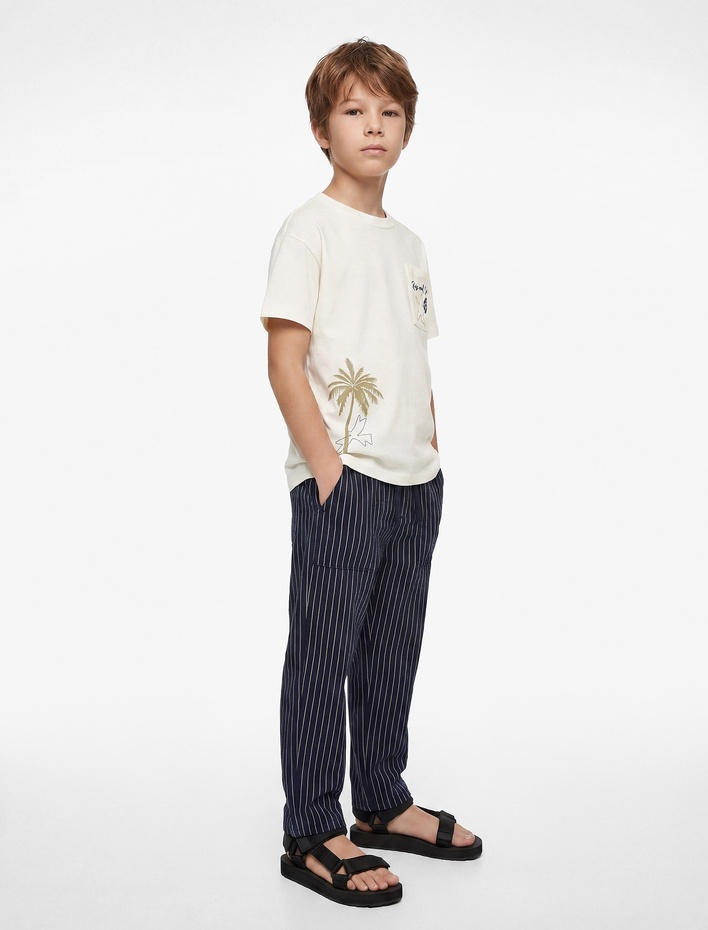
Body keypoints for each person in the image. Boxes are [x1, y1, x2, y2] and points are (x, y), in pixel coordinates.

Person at [261, 38, 482, 908]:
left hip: (416, 481)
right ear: (322, 129)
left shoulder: (410, 245)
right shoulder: (307, 230)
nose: (374, 126)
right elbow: (285, 363)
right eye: (354, 110)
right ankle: (312, 827)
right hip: (345, 479)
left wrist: (432, 454)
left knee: (394, 646)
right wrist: (326, 470)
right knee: (323, 654)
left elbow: (413, 358)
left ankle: (382, 800)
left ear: (408, 128)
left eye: (390, 111)